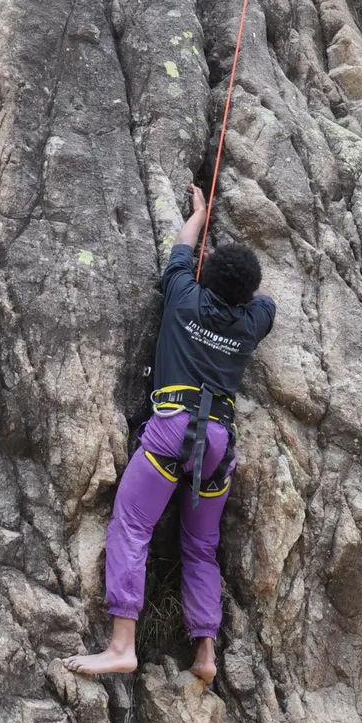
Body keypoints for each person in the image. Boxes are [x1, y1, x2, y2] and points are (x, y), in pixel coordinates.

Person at [63, 184, 276, 684]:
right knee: (200, 547)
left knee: (132, 525)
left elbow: (181, 249)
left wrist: (200, 215)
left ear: (206, 275)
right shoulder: (254, 321)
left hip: (171, 431)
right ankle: (205, 655)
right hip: (218, 444)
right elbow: (264, 302)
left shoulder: (183, 294)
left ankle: (121, 646)